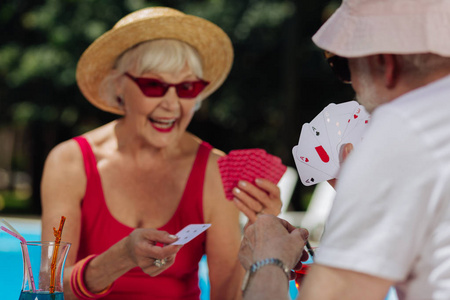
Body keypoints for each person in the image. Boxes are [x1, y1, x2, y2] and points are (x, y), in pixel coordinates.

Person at [40, 7, 283, 300]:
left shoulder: (212, 170)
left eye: (187, 87)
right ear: (119, 86)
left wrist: (258, 235)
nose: (172, 104)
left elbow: (226, 295)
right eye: (153, 85)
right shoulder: (69, 162)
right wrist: (120, 258)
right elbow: (49, 286)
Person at [238, 0, 450, 299]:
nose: (351, 87)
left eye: (343, 65)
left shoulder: (399, 135)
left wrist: (267, 260)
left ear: (384, 63)